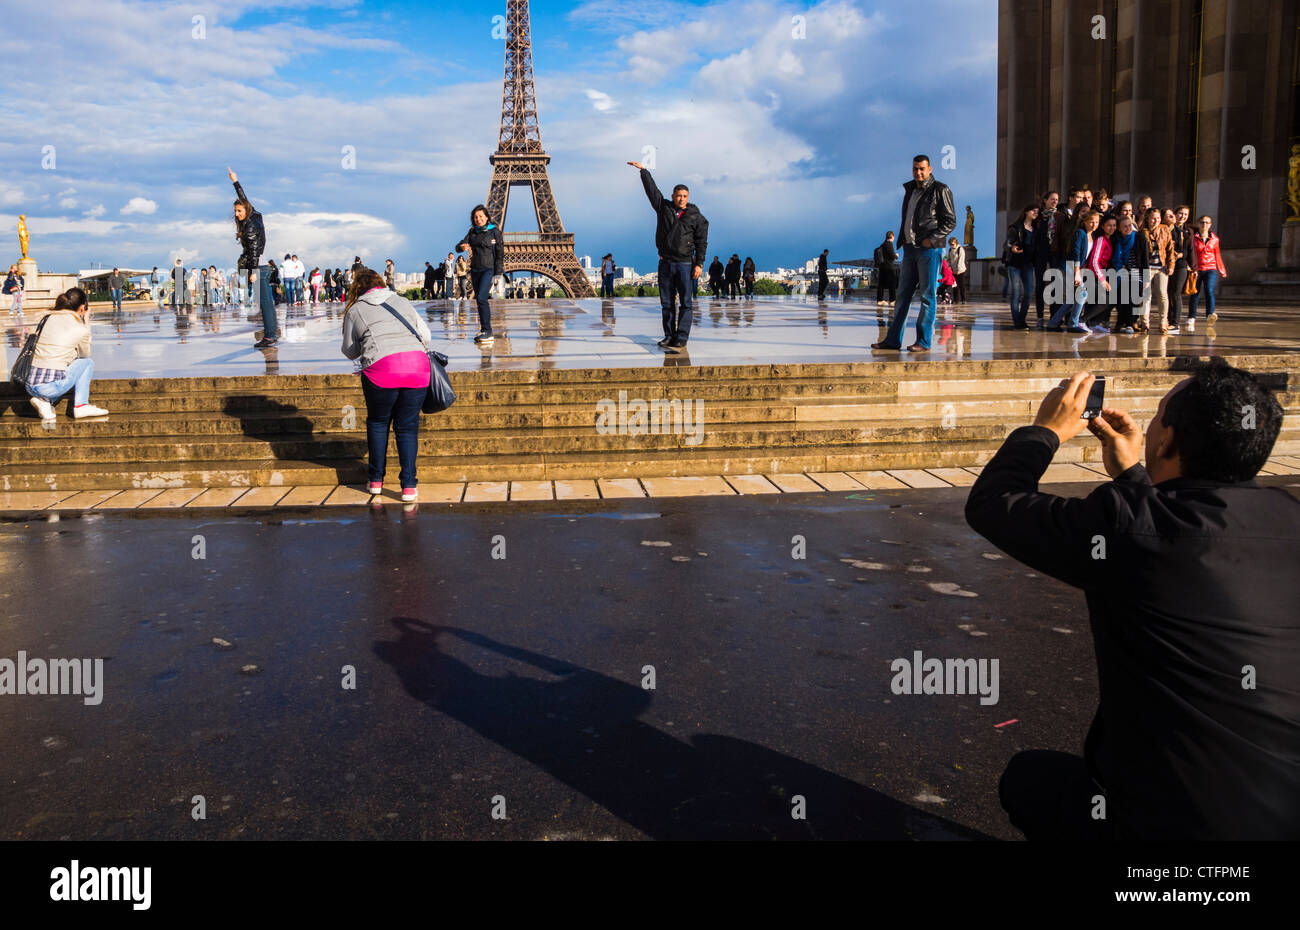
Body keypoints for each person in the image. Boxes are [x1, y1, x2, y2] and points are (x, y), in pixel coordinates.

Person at [966, 363, 1299, 840]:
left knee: (1029, 780)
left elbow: (995, 503)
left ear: (1167, 441)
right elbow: (1176, 536)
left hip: (1171, 819)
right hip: (1282, 810)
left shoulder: (1128, 526)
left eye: (1160, 417)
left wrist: (1044, 432)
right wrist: (1134, 476)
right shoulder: (1288, 519)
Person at [340, 266, 433, 503]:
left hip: (383, 370)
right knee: (408, 427)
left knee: (379, 423)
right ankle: (409, 486)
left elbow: (350, 351)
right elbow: (426, 336)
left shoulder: (356, 309)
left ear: (357, 288)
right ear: (380, 283)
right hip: (417, 368)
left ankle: (376, 481)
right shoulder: (401, 301)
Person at [871, 155, 956, 352]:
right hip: (910, 249)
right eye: (915, 169)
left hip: (929, 249)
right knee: (902, 296)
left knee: (927, 296)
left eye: (922, 169)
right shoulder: (910, 190)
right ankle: (892, 340)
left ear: (930, 169)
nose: (918, 172)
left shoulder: (940, 190)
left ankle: (924, 341)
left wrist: (931, 239)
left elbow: (950, 221)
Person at [627, 160, 708, 352]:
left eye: (684, 196)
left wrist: (700, 264)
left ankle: (681, 336)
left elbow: (701, 241)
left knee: (686, 303)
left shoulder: (696, 217)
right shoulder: (664, 208)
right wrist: (644, 172)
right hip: (665, 263)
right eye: (678, 196)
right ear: (673, 196)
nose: (681, 199)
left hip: (685, 264)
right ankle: (669, 335)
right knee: (667, 303)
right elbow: (652, 192)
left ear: (688, 197)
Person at [23, 287, 109, 421]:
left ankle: (44, 402)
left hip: (29, 383)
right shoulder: (80, 329)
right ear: (82, 308)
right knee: (87, 363)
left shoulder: (47, 318)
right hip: (49, 388)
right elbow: (85, 354)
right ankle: (81, 406)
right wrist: (86, 323)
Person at [229, 168, 277, 347]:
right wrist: (235, 181)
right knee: (266, 303)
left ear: (245, 210)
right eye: (235, 211)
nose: (237, 214)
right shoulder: (254, 215)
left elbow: (255, 249)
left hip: (260, 267)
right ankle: (270, 334)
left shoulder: (249, 225)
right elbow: (244, 198)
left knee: (265, 304)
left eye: (239, 211)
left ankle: (270, 335)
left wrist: (254, 271)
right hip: (262, 266)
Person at [456, 205, 506, 344]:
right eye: (476, 217)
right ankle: (484, 330)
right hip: (476, 270)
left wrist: (498, 272)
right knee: (479, 299)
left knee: (482, 298)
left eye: (481, 216)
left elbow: (500, 253)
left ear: (487, 217)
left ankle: (488, 331)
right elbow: (459, 246)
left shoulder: (494, 232)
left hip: (488, 269)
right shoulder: (472, 232)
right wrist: (462, 247)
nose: (478, 219)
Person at [1045, 209, 1099, 333]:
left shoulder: (1092, 235)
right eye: (1091, 222)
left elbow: (1086, 256)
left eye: (1096, 222)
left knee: (1072, 299)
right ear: (1085, 222)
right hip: (1070, 267)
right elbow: (1076, 253)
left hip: (1078, 269)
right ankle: (1073, 324)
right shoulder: (1080, 233)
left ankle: (1053, 323)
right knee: (1082, 294)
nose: (1094, 225)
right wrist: (1077, 273)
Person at [1109, 213, 1149, 334]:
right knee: (1120, 298)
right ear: (1119, 228)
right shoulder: (1116, 238)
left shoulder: (1139, 237)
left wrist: (1146, 278)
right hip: (1120, 271)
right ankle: (1121, 322)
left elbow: (1145, 259)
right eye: (1124, 226)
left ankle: (1130, 324)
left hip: (1136, 272)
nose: (1128, 228)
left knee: (1133, 296)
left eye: (1129, 225)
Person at [1033, 191, 1067, 326]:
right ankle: (1040, 316)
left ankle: (1055, 316)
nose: (1054, 202)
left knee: (1055, 285)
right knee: (1040, 285)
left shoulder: (1060, 217)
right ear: (1045, 200)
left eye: (1057, 199)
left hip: (1055, 253)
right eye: (1052, 199)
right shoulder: (1038, 217)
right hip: (1041, 253)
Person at [1188, 214, 1228, 328]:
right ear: (1198, 224)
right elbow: (1191, 253)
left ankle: (1210, 315)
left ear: (1210, 225)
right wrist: (1191, 267)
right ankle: (1191, 316)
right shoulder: (1193, 237)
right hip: (1197, 268)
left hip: (1211, 268)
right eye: (1202, 222)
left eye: (1207, 223)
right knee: (1195, 292)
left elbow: (1217, 255)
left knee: (1209, 291)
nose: (1204, 225)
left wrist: (1221, 269)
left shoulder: (1215, 239)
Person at [1004, 204, 1038, 330]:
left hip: (1028, 264)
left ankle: (1021, 319)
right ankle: (1017, 322)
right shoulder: (1015, 228)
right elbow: (1006, 244)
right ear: (1026, 212)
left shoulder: (1035, 228)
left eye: (1037, 211)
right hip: (1015, 264)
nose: (1036, 213)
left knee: (1029, 292)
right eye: (1033, 210)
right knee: (1016, 293)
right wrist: (1011, 248)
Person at [1141, 208, 1174, 334]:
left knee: (1162, 294)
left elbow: (1170, 248)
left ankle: (1163, 322)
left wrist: (1171, 265)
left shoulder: (1165, 229)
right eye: (1153, 218)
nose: (1156, 221)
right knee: (1146, 296)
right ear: (1147, 219)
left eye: (1158, 218)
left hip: (1162, 267)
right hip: (1147, 267)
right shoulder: (1142, 232)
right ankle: (1145, 323)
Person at [1081, 214, 1117, 332]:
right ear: (1103, 226)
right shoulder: (1101, 239)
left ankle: (1092, 323)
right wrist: (1102, 280)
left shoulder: (1109, 239)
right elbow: (1094, 261)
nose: (1112, 228)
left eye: (1114, 225)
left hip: (1100, 275)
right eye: (1109, 226)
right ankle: (1082, 321)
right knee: (1109, 299)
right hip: (1092, 275)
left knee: (1106, 299)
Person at [873, 231, 897, 306]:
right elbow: (892, 256)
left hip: (882, 267)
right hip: (889, 267)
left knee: (881, 284)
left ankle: (880, 300)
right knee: (892, 284)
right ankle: (892, 300)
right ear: (892, 236)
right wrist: (896, 255)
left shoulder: (882, 245)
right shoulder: (889, 244)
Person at [946, 237, 967, 304]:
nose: (952, 246)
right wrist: (949, 267)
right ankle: (956, 300)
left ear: (956, 243)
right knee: (954, 286)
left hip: (960, 271)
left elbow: (961, 259)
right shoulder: (950, 250)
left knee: (961, 285)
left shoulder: (960, 249)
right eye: (950, 244)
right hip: (953, 271)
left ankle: (963, 299)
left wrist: (959, 269)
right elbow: (949, 259)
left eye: (953, 244)